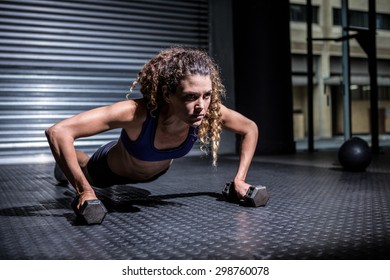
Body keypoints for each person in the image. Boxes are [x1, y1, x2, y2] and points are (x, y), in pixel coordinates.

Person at [45, 47, 258, 211]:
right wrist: (84, 191)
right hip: (106, 172)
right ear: (167, 94)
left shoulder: (205, 111)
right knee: (84, 164)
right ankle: (63, 167)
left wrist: (239, 179)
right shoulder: (135, 113)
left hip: (147, 176)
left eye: (207, 95)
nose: (201, 105)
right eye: (190, 96)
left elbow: (249, 128)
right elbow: (58, 131)